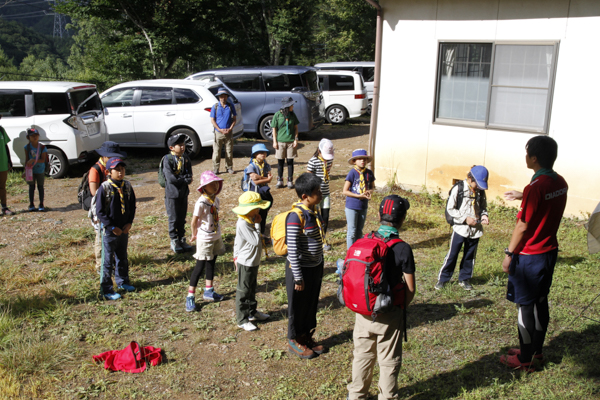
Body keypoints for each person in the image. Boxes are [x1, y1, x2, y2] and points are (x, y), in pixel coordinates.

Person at [500, 136, 568, 371]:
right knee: (540, 301)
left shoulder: (535, 187)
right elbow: (547, 203)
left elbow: (523, 226)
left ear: (534, 158)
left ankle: (525, 359)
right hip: (549, 252)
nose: (525, 155)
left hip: (530, 256)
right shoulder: (559, 182)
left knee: (525, 306)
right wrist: (523, 195)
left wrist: (509, 253)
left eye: (527, 152)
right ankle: (535, 352)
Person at [347, 195, 416, 400]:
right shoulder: (403, 248)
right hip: (389, 312)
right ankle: (387, 397)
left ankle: (356, 395)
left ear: (379, 215)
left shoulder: (364, 241)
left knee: (362, 355)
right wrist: (401, 307)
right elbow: (410, 288)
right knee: (388, 360)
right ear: (403, 219)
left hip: (363, 309)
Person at [286, 173, 325, 359]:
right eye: (317, 191)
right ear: (305, 196)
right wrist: (298, 276)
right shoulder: (296, 216)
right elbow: (292, 249)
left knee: (310, 303)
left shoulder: (313, 211)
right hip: (300, 270)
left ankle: (305, 335)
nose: (321, 193)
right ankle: (294, 340)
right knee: (298, 306)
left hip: (314, 267)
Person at [435, 166, 489, 291]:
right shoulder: (458, 189)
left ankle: (464, 279)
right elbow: (450, 209)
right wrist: (465, 218)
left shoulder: (480, 191)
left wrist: (484, 215)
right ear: (470, 178)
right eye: (477, 183)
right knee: (452, 255)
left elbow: (483, 207)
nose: (479, 187)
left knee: (470, 256)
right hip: (460, 229)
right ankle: (443, 279)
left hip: (475, 231)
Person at [95, 157, 137, 301]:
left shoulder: (127, 186)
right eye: (117, 170)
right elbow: (100, 212)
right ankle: (106, 289)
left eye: (122, 169)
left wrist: (129, 223)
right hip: (110, 231)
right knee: (107, 261)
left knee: (122, 257)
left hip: (123, 230)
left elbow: (132, 206)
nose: (120, 172)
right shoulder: (105, 188)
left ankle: (123, 281)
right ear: (108, 172)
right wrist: (112, 227)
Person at [186, 170, 226, 312]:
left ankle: (209, 290)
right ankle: (190, 295)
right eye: (211, 184)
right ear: (204, 187)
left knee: (212, 262)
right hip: (204, 238)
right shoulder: (201, 202)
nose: (215, 186)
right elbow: (194, 220)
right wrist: (193, 234)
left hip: (215, 236)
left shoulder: (216, 200)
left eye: (216, 183)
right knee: (199, 266)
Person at [232, 191, 272, 331]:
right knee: (244, 290)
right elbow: (255, 241)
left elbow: (238, 242)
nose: (260, 209)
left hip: (253, 261)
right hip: (246, 261)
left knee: (252, 288)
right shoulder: (243, 223)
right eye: (257, 207)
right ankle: (241, 319)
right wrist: (257, 224)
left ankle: (252, 312)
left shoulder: (249, 219)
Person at [89, 141, 127, 272]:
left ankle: (113, 263)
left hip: (113, 209)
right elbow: (94, 192)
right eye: (111, 157)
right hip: (100, 209)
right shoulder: (96, 170)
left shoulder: (116, 168)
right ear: (104, 157)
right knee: (101, 237)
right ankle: (101, 265)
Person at [163, 134, 194, 253]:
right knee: (173, 218)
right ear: (172, 148)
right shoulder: (167, 160)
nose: (182, 147)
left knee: (182, 217)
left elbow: (189, 176)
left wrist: (183, 179)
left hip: (183, 193)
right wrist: (183, 179)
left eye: (183, 145)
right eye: (179, 145)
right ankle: (174, 240)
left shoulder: (186, 158)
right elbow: (171, 179)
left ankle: (182, 239)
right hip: (172, 194)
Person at [343, 149, 375, 249]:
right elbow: (345, 191)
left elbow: (372, 187)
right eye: (360, 159)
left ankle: (357, 252)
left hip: (363, 205)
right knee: (351, 231)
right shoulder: (352, 173)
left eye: (365, 159)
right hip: (352, 206)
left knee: (359, 230)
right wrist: (358, 196)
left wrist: (369, 192)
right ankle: (350, 253)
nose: (363, 161)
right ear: (354, 161)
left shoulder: (369, 173)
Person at [307, 138, 335, 251]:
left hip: (326, 193)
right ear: (319, 150)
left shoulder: (328, 160)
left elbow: (327, 172)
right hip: (315, 194)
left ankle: (323, 238)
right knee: (316, 217)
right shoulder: (312, 161)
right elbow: (309, 177)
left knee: (325, 216)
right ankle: (315, 239)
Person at [272, 97, 299, 189]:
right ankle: (280, 180)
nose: (293, 106)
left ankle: (290, 180)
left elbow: (296, 128)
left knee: (290, 161)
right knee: (280, 162)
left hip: (291, 142)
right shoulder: (277, 115)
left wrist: (296, 139)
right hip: (280, 142)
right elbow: (274, 129)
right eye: (291, 104)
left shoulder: (292, 115)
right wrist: (274, 141)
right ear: (287, 106)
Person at [210, 88, 237, 175]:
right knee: (216, 151)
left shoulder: (230, 106)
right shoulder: (215, 106)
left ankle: (229, 167)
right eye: (221, 96)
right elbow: (212, 120)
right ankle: (216, 168)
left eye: (224, 96)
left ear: (227, 97)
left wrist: (230, 129)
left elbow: (234, 119)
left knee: (229, 151)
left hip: (228, 132)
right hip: (218, 132)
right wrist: (219, 129)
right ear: (219, 97)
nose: (223, 98)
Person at [23, 128, 48, 212]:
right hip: (30, 171)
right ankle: (31, 204)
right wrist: (25, 171)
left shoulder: (42, 147)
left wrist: (33, 160)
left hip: (40, 170)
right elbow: (26, 160)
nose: (35, 137)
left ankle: (41, 203)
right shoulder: (27, 147)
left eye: (36, 135)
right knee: (31, 187)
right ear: (28, 137)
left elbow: (43, 160)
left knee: (40, 187)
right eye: (32, 136)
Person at [0, 115, 14, 216]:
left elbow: (5, 146)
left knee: (2, 187)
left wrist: (9, 161)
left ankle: (4, 207)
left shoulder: (1, 130)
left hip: (2, 163)